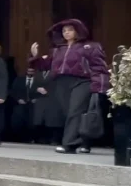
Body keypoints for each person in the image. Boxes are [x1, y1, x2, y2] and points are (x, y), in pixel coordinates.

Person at [30, 18, 109, 154]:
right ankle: (85, 142)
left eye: (70, 30)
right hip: (61, 83)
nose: (66, 33)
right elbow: (45, 66)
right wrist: (35, 56)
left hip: (83, 81)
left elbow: (99, 67)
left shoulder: (90, 46)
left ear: (78, 31)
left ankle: (70, 144)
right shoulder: (58, 50)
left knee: (75, 111)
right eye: (64, 31)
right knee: (70, 113)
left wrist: (99, 87)